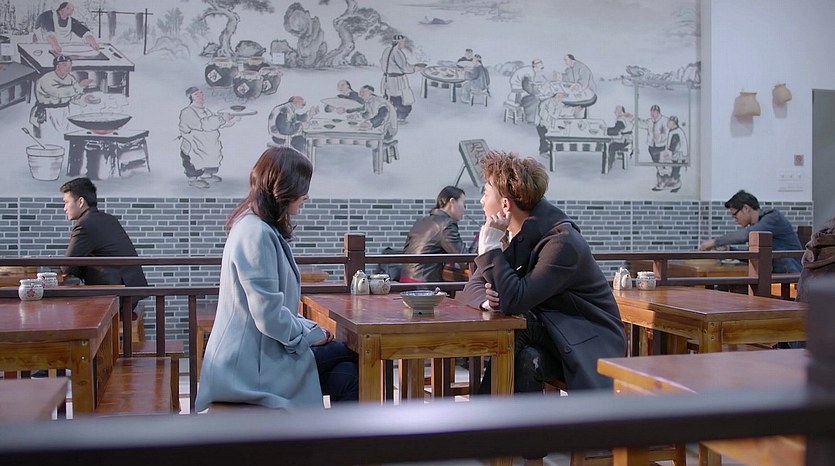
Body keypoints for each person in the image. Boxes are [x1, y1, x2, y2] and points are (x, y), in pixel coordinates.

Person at [196, 146, 358, 411]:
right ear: (284, 189)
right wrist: (310, 336)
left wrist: (311, 330)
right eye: (303, 187)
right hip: (248, 367)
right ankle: (354, 436)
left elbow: (274, 309)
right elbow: (268, 315)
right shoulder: (256, 233)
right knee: (351, 354)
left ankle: (339, 436)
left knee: (347, 373)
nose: (306, 196)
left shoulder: (255, 226)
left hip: (259, 356)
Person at [457, 151, 625, 396]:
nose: (482, 201)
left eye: (486, 193)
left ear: (505, 204)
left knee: (519, 327)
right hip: (551, 334)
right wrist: (487, 302)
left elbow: (515, 301)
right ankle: (519, 421)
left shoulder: (562, 243)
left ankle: (483, 416)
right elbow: (470, 289)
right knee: (528, 357)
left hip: (587, 339)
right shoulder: (509, 234)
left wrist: (489, 248)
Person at [59, 177, 148, 317]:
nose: (64, 208)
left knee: (70, 313)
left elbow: (67, 266)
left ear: (80, 202)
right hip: (130, 292)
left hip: (115, 297)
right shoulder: (108, 219)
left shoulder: (85, 224)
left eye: (66, 202)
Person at [699, 190, 803, 273]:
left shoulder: (772, 218)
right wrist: (729, 250)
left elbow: (744, 236)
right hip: (776, 273)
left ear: (746, 208)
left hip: (790, 275)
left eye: (735, 215)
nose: (735, 219)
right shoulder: (759, 224)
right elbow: (752, 255)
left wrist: (715, 242)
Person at [400, 186, 467, 283]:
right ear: (452, 202)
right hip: (424, 285)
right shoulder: (446, 224)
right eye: (463, 204)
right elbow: (464, 259)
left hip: (405, 281)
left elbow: (406, 251)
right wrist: (481, 237)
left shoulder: (421, 221)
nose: (464, 209)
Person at [178, 87, 237, 189]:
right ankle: (193, 179)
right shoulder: (188, 112)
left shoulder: (206, 110)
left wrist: (231, 119)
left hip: (209, 145)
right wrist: (221, 118)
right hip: (195, 145)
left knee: (211, 159)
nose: (200, 96)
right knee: (195, 161)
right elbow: (203, 124)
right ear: (191, 98)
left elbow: (217, 124)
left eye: (201, 93)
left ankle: (207, 175)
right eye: (196, 95)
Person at [29, 54, 93, 144]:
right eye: (65, 65)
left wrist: (85, 99)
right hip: (48, 112)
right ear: (57, 66)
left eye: (70, 65)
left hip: (64, 111)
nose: (68, 68)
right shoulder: (46, 79)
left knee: (63, 138)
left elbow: (74, 96)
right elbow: (59, 93)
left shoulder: (70, 78)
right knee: (47, 139)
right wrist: (79, 86)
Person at [379, 34, 424, 123]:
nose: (404, 44)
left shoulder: (387, 50)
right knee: (400, 100)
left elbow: (383, 62)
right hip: (396, 80)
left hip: (387, 78)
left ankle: (393, 117)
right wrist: (416, 68)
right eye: (403, 42)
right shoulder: (397, 52)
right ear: (398, 42)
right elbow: (404, 68)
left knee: (391, 98)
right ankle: (399, 118)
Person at [34, 2, 100, 55]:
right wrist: (55, 46)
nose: (71, 11)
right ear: (62, 9)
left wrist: (93, 43)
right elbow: (49, 35)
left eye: (72, 10)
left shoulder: (71, 21)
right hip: (41, 48)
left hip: (61, 49)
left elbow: (85, 33)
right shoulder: (47, 16)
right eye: (68, 8)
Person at [508, 59, 548, 124]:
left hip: (517, 92)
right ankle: (531, 120)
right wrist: (542, 88)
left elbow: (529, 85)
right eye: (541, 67)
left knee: (536, 97)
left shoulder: (529, 70)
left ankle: (532, 118)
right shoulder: (529, 73)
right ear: (536, 66)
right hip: (518, 96)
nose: (542, 68)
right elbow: (529, 89)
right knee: (536, 99)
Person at [535, 92, 574, 157]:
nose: (560, 98)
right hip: (542, 123)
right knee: (544, 137)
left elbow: (564, 111)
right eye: (559, 96)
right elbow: (542, 115)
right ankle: (543, 152)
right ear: (554, 96)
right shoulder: (545, 103)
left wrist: (573, 110)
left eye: (562, 97)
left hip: (551, 123)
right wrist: (552, 118)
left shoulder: (560, 104)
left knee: (550, 137)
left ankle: (548, 150)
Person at [655, 115, 688, 192]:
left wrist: (664, 156)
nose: (667, 123)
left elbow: (673, 148)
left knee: (670, 170)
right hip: (677, 155)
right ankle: (669, 185)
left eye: (669, 122)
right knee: (669, 170)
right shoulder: (674, 130)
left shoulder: (676, 133)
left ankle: (673, 185)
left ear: (674, 123)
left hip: (679, 156)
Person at [639, 104, 668, 190]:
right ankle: (661, 183)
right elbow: (642, 124)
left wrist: (660, 137)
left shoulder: (664, 120)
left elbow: (666, 133)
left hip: (661, 147)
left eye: (654, 112)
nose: (652, 113)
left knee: (661, 166)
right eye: (651, 111)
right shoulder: (650, 121)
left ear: (658, 112)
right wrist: (633, 119)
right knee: (658, 166)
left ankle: (662, 183)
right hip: (652, 147)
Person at [604, 105, 634, 173]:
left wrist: (605, 130)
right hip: (628, 141)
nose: (614, 112)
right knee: (612, 143)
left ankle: (609, 165)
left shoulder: (621, 119)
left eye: (616, 110)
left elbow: (615, 131)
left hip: (625, 142)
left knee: (611, 146)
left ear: (620, 111)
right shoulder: (625, 118)